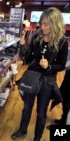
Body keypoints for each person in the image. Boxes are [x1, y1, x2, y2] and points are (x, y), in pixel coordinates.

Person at [11, 7, 68, 141]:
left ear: (55, 24)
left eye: (46, 24)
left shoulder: (62, 42)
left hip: (47, 81)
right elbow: (31, 57)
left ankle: (37, 138)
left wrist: (48, 66)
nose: (42, 27)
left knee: (41, 112)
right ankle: (22, 130)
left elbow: (61, 65)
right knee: (26, 107)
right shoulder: (37, 35)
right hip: (32, 77)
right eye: (41, 23)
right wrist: (23, 58)